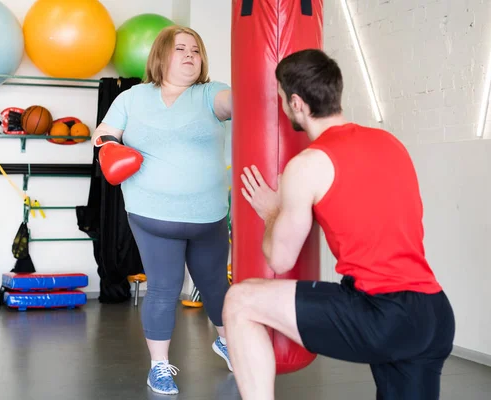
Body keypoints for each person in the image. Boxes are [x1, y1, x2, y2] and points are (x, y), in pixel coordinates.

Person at [222, 48, 455, 400]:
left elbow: (280, 260)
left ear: (296, 103)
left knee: (239, 299)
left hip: (381, 313)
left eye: (282, 100)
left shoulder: (308, 164)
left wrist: (272, 212)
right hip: (433, 315)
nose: (283, 107)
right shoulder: (390, 142)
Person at [91, 25, 233, 395]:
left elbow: (236, 103)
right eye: (180, 48)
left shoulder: (210, 94)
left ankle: (227, 342)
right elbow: (104, 132)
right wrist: (109, 146)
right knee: (163, 290)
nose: (189, 54)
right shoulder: (133, 98)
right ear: (160, 56)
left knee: (217, 288)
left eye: (196, 50)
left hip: (209, 216)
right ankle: (159, 367)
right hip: (153, 215)